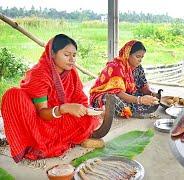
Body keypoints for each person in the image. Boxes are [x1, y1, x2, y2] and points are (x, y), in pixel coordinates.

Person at [0, 34, 114, 163]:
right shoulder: (40, 75)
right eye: (66, 55)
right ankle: (45, 142)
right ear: (52, 54)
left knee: (87, 118)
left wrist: (86, 110)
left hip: (60, 115)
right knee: (14, 94)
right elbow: (42, 113)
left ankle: (72, 137)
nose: (72, 59)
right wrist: (65, 108)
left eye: (74, 55)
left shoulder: (71, 72)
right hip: (39, 120)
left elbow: (79, 97)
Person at [90, 40, 160, 118]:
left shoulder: (138, 68)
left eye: (142, 57)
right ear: (127, 54)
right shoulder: (116, 67)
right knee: (113, 101)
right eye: (137, 56)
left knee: (147, 98)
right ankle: (129, 110)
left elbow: (143, 85)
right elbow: (118, 93)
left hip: (128, 95)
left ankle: (132, 109)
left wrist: (151, 94)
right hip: (108, 94)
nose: (140, 60)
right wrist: (140, 100)